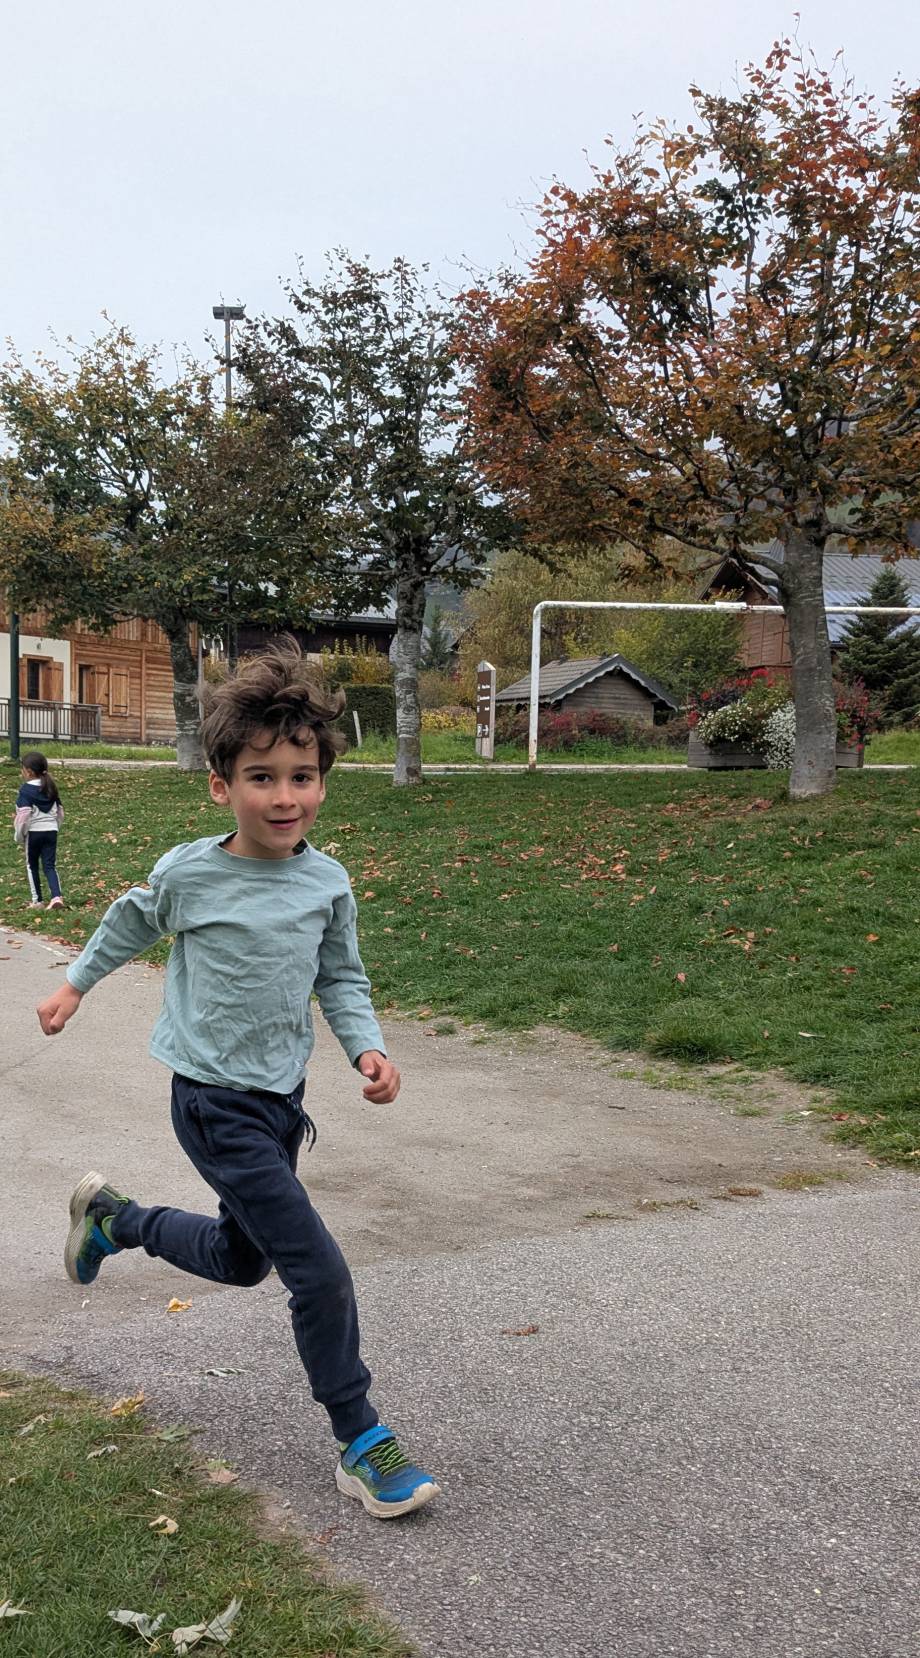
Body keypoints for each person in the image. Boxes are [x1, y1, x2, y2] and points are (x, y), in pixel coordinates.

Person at [36, 641, 439, 1520]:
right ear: (222, 785)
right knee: (318, 1272)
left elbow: (341, 978)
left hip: (280, 1103)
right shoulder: (193, 871)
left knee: (241, 1259)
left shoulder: (327, 884)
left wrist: (364, 1048)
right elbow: (128, 920)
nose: (285, 796)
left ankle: (115, 1219)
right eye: (263, 777)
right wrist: (73, 985)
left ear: (324, 779)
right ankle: (361, 1437)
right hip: (211, 1103)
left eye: (303, 775)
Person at [14, 750, 65, 910]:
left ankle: (37, 901)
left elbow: (24, 815)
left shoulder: (25, 790)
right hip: (51, 831)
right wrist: (56, 826)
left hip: (34, 833)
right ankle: (57, 897)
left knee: (32, 865)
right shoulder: (50, 787)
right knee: (50, 866)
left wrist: (19, 835)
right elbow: (60, 811)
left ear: (28, 772)